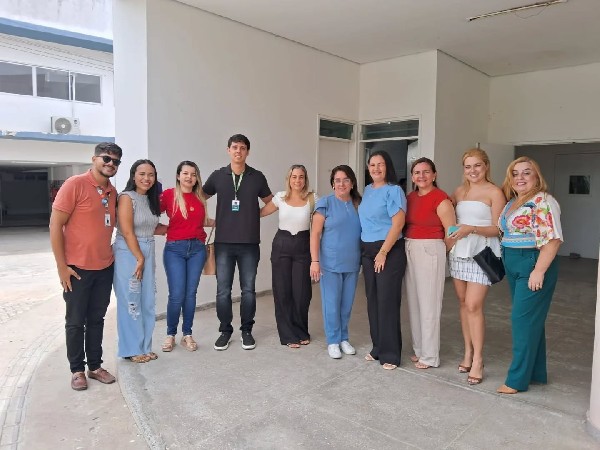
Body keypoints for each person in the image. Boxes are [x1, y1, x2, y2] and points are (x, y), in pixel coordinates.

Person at [49, 142, 122, 390]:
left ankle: (95, 366)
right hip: (77, 269)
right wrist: (61, 266)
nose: (110, 164)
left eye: (115, 161)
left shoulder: (112, 192)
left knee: (97, 319)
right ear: (94, 159)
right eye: (106, 158)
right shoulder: (75, 184)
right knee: (75, 321)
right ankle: (77, 370)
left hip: (105, 267)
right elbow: (55, 225)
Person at [496, 157, 563, 394]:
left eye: (526, 172)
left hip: (533, 263)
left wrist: (539, 270)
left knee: (521, 320)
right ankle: (535, 373)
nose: (520, 178)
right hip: (513, 263)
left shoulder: (543, 201)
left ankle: (516, 380)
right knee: (531, 320)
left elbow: (553, 240)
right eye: (515, 173)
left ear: (537, 176)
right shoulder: (513, 202)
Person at [203, 134, 273, 351]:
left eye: (242, 148)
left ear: (247, 152)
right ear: (228, 150)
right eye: (234, 147)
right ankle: (225, 331)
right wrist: (207, 220)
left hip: (249, 244)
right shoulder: (218, 176)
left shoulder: (257, 177)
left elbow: (271, 202)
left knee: (248, 290)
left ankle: (246, 331)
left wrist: (254, 215)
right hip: (223, 243)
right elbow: (198, 197)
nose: (238, 151)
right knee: (223, 291)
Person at [448, 149, 506, 385]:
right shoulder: (459, 191)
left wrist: (471, 228)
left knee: (474, 305)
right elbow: (447, 217)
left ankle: (479, 359)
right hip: (459, 252)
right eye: (468, 166)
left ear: (486, 166)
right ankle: (468, 352)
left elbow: (498, 229)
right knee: (463, 303)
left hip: (482, 253)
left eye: (477, 166)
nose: (473, 171)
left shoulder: (495, 192)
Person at [404, 157, 455, 369]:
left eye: (426, 172)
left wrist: (439, 252)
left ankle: (430, 355)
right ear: (412, 177)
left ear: (434, 175)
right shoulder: (410, 197)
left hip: (431, 249)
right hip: (410, 247)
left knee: (429, 305)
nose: (421, 176)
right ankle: (419, 350)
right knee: (414, 303)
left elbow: (452, 233)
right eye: (417, 172)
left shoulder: (441, 198)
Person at [358, 151, 407, 370]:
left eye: (381, 164)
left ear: (388, 167)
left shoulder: (394, 190)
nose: (376, 168)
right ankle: (378, 347)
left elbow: (398, 224)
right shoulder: (368, 190)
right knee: (373, 300)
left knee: (387, 301)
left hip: (388, 249)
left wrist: (383, 252)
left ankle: (391, 354)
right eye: (372, 165)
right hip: (368, 250)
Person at [261, 165, 317, 348]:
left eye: (301, 177)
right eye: (294, 177)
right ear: (289, 179)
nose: (297, 180)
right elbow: (260, 213)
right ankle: (287, 335)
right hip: (281, 246)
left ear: (305, 179)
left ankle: (301, 331)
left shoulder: (312, 198)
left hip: (303, 246)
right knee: (282, 291)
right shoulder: (280, 197)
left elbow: (322, 221)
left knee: (302, 293)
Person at [114, 159, 165, 363]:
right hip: (129, 253)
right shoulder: (127, 198)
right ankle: (131, 349)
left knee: (147, 301)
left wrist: (182, 227)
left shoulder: (151, 200)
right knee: (131, 300)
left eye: (151, 175)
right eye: (142, 174)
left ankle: (145, 346)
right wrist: (139, 257)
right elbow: (127, 231)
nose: (146, 178)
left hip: (147, 249)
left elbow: (152, 227)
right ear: (133, 176)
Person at [160, 161, 214, 352]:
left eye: (193, 174)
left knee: (190, 294)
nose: (189, 177)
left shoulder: (200, 197)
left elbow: (201, 221)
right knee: (177, 295)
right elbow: (150, 213)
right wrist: (163, 229)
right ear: (178, 176)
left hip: (197, 249)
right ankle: (170, 334)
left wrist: (224, 221)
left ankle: (187, 334)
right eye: (185, 173)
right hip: (174, 249)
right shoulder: (169, 195)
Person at [310, 165, 361, 359]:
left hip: (352, 263)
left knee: (346, 305)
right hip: (330, 264)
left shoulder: (358, 204)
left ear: (352, 183)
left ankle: (343, 338)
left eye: (346, 180)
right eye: (337, 180)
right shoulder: (325, 203)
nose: (341, 184)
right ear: (332, 184)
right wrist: (315, 261)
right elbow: (315, 234)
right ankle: (333, 340)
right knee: (331, 304)